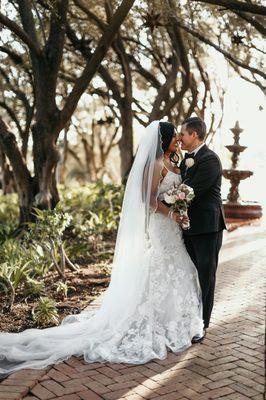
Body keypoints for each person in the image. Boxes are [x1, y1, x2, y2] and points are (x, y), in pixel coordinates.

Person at [0, 120, 203, 377]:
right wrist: (172, 214)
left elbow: (173, 194)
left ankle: (177, 320)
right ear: (164, 139)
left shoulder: (175, 160)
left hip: (172, 227)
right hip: (162, 227)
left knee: (179, 266)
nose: (178, 139)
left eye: (179, 135)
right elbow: (149, 200)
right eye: (174, 136)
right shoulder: (155, 165)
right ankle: (159, 322)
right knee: (167, 264)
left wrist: (179, 208)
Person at [179, 117, 226, 341]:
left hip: (208, 228)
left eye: (183, 134)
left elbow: (191, 191)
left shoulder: (210, 160)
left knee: (206, 276)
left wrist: (165, 202)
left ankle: (202, 325)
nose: (180, 138)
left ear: (194, 135)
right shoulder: (184, 161)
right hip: (187, 228)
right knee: (190, 274)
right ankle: (188, 318)